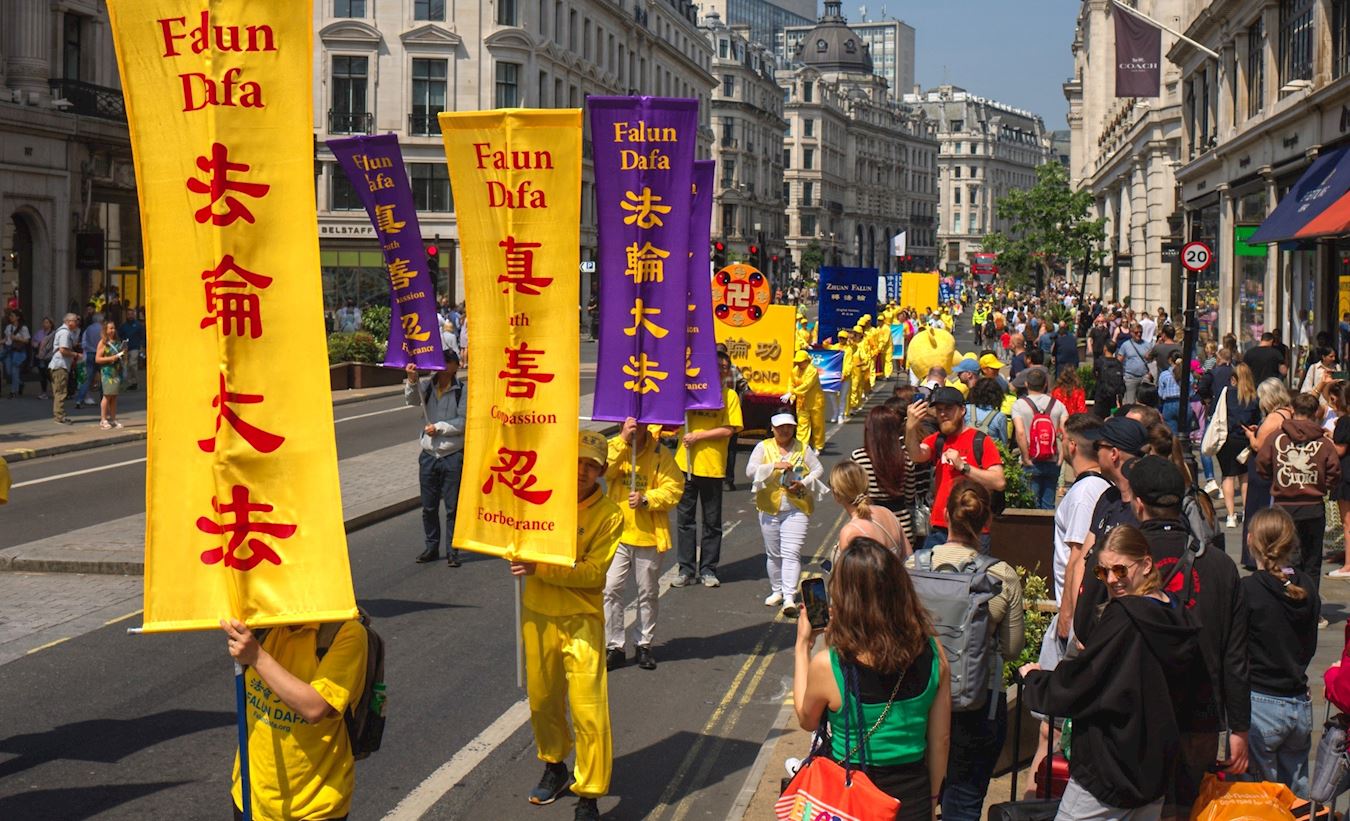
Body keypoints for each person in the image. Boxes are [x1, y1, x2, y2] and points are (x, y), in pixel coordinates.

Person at [1080, 456, 1251, 815]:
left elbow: (1084, 626)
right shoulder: (1220, 565)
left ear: (1138, 503)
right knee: (1183, 809)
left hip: (1130, 716)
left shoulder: (1116, 557)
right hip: (1199, 715)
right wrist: (1239, 727)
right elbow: (1235, 655)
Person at [1022, 525, 1201, 821]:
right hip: (1154, 768)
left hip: (1109, 768)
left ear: (1145, 565)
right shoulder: (1175, 614)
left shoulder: (1124, 616)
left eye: (1120, 570)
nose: (1111, 580)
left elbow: (1082, 683)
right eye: (1102, 572)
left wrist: (1034, 680)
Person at [793, 538, 952, 821]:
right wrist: (931, 799)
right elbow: (940, 739)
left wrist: (802, 645)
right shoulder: (932, 650)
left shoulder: (830, 665)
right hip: (910, 798)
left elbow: (807, 719)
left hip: (848, 801)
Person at [512, 431, 624, 821]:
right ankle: (554, 764)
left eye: (591, 465)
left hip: (582, 621)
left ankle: (589, 793)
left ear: (602, 471)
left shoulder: (611, 515)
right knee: (543, 702)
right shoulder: (542, 500)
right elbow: (516, 537)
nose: (582, 470)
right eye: (577, 461)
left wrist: (539, 567)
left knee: (589, 710)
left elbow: (594, 575)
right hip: (538, 614)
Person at [907, 480, 1023, 821]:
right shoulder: (1002, 575)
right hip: (980, 703)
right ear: (985, 520)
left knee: (918, 799)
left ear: (944, 515)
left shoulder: (912, 568)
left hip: (920, 701)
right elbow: (1013, 649)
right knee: (965, 803)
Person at [221, 615, 369, 821]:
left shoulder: (346, 632)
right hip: (249, 798)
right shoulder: (262, 622)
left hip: (313, 808)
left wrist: (256, 655)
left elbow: (314, 707)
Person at [1241, 507, 1318, 797]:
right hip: (1298, 701)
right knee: (1296, 796)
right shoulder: (1307, 585)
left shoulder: (1248, 589)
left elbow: (1236, 648)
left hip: (1261, 702)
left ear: (1250, 541)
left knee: (1260, 799)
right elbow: (1308, 645)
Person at [603, 417, 683, 672]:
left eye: (639, 425)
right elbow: (605, 471)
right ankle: (614, 646)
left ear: (649, 426)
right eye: (629, 426)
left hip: (648, 536)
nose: (636, 429)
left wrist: (648, 498)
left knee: (647, 593)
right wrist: (624, 440)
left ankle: (644, 644)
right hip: (617, 534)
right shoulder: (615, 447)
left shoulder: (661, 453)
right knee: (610, 589)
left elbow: (675, 488)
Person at [1256, 391, 1339, 598]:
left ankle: (1284, 601)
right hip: (1313, 506)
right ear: (1314, 413)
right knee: (1311, 562)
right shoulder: (1324, 443)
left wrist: (1276, 479)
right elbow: (1334, 473)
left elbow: (1262, 465)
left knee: (1282, 558)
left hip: (1284, 506)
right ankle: (1310, 605)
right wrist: (1321, 485)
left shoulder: (1276, 438)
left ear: (1293, 411)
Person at [903, 386, 1006, 550]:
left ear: (962, 410)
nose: (943, 414)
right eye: (939, 410)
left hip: (972, 528)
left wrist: (964, 467)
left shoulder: (980, 440)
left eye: (949, 409)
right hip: (940, 526)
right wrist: (910, 428)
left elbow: (999, 482)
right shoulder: (937, 440)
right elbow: (916, 455)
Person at [673, 351, 743, 588]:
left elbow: (729, 429)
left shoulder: (729, 396)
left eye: (726, 366)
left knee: (712, 522)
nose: (722, 369)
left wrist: (699, 436)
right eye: (718, 365)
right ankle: (686, 569)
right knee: (685, 520)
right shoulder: (691, 392)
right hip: (686, 464)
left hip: (712, 468)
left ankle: (709, 569)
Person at [747, 412, 823, 617]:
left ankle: (789, 596)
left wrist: (804, 483)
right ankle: (777, 590)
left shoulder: (803, 448)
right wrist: (773, 466)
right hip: (768, 508)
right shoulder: (763, 447)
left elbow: (818, 469)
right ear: (772, 428)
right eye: (780, 427)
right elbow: (750, 471)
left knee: (791, 552)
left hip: (796, 508)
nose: (785, 430)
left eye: (789, 426)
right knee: (773, 554)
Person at [404, 349, 466, 566]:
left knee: (452, 507)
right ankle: (431, 547)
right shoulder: (427, 386)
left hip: (452, 454)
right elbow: (411, 400)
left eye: (449, 362)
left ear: (456, 366)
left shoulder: (462, 390)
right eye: (442, 362)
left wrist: (439, 428)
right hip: (429, 454)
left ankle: (453, 550)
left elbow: (464, 421)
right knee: (429, 506)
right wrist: (412, 380)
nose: (445, 366)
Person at [1012, 368, 1067, 510]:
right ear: (1045, 384)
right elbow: (1066, 432)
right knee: (1048, 506)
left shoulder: (1019, 405)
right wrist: (1062, 456)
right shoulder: (1058, 405)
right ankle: (1047, 532)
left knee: (1030, 505)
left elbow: (1020, 432)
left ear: (1026, 384)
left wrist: (1025, 457)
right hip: (1052, 459)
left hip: (1031, 459)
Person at [831, 460, 908, 557]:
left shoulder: (850, 532)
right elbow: (908, 556)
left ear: (837, 494)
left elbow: (847, 571)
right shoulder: (887, 513)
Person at [1215, 363, 1260, 529]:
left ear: (1233, 379)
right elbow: (1257, 419)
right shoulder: (1254, 397)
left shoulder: (1227, 394)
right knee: (1244, 477)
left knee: (1227, 476)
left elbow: (1217, 413)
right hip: (1245, 440)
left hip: (1227, 439)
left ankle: (1230, 515)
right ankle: (1247, 512)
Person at [851, 405, 911, 516]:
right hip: (901, 519)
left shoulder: (858, 458)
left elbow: (854, 492)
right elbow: (910, 495)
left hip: (872, 519)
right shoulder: (906, 458)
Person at [789, 350, 826, 451]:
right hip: (801, 403)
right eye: (797, 362)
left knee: (817, 425)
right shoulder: (794, 371)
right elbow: (791, 384)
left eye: (801, 362)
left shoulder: (812, 371)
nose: (799, 364)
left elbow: (807, 385)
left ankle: (818, 446)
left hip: (815, 402)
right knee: (802, 425)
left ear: (806, 361)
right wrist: (792, 397)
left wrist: (793, 393)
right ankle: (802, 447)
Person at [48, 313, 80, 424]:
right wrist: (75, 354)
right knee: (61, 392)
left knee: (59, 391)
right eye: (75, 321)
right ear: (69, 321)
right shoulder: (65, 333)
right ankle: (60, 416)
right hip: (60, 366)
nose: (77, 323)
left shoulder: (66, 332)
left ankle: (59, 415)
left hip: (59, 365)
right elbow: (63, 350)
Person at [94, 320, 125, 430]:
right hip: (107, 372)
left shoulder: (116, 341)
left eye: (114, 328)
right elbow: (97, 359)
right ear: (105, 330)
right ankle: (103, 419)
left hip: (116, 371)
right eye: (110, 328)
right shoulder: (103, 342)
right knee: (107, 395)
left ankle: (113, 419)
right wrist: (111, 358)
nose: (113, 330)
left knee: (114, 396)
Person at [965, 376, 1009, 447]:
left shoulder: (966, 409)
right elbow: (1004, 443)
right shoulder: (999, 417)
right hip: (990, 452)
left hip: (967, 449)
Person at [73, 312, 103, 408]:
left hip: (90, 354)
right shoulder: (103, 328)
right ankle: (104, 399)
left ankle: (79, 399)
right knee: (104, 377)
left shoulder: (88, 329)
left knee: (88, 378)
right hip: (101, 354)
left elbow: (84, 342)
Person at [1119, 323, 1153, 405]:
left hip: (1144, 377)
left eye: (1141, 332)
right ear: (1131, 333)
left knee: (1144, 403)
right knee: (1130, 403)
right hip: (1130, 377)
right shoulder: (1125, 345)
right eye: (1136, 332)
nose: (1139, 334)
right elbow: (1119, 359)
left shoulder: (1147, 345)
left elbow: (1152, 361)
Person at [1092, 340, 1125, 418]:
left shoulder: (1099, 361)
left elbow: (1094, 374)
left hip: (1101, 394)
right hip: (1114, 396)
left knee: (1099, 418)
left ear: (1105, 348)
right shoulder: (1118, 363)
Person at [3, 309, 30, 398]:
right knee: (9, 372)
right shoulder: (8, 327)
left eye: (12, 316)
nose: (10, 317)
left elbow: (27, 340)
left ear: (17, 317)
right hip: (8, 351)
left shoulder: (23, 328)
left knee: (14, 371)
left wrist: (17, 338)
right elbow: (6, 339)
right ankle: (20, 383)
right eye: (10, 316)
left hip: (18, 352)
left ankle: (13, 391)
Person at [118, 308, 145, 391]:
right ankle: (129, 382)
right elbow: (119, 335)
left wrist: (142, 346)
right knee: (125, 365)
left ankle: (134, 381)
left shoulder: (138, 325)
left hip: (135, 347)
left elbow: (142, 336)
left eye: (131, 314)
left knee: (132, 364)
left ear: (134, 315)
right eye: (128, 314)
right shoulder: (123, 326)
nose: (130, 316)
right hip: (125, 347)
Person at [32, 316, 54, 399]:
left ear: (51, 324)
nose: (44, 324)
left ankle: (54, 389)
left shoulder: (53, 333)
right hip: (41, 357)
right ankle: (44, 392)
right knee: (42, 374)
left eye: (47, 322)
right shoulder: (39, 333)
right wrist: (35, 344)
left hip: (49, 356)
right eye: (44, 322)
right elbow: (33, 341)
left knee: (49, 374)